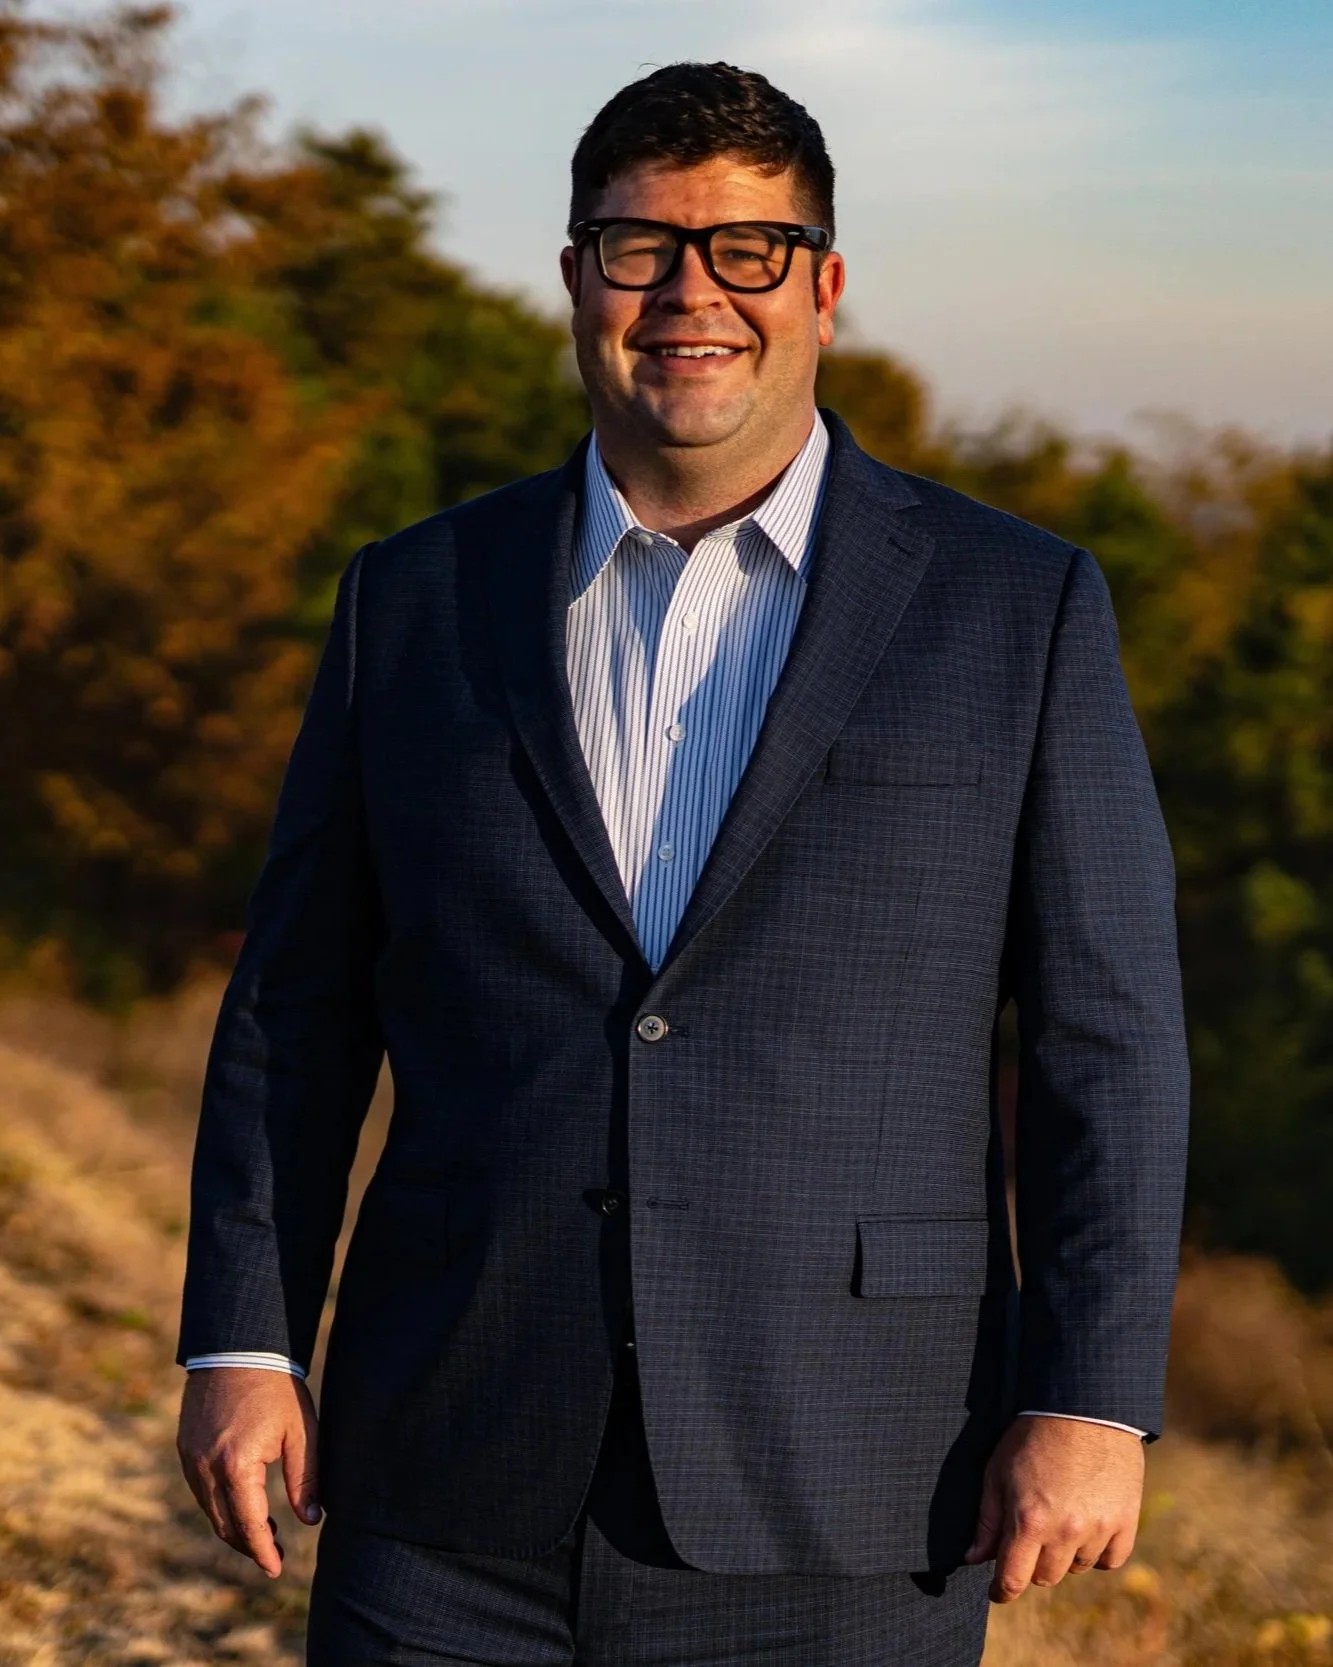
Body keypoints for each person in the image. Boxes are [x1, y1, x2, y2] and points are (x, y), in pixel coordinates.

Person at [176, 62, 1190, 1667]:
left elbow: (1108, 1039)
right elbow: (296, 1010)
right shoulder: (414, 598)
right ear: (577, 277)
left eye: (748, 250)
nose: (689, 295)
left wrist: (1091, 1394)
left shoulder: (1018, 607)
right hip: (444, 1477)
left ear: (825, 288)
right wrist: (243, 1336)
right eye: (639, 247)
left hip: (854, 1487)